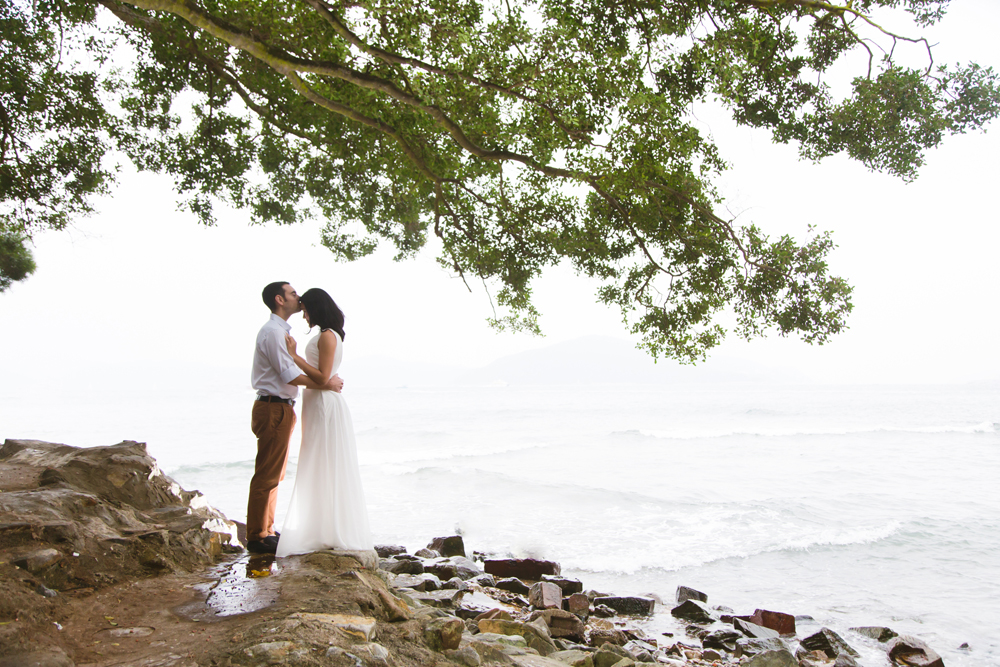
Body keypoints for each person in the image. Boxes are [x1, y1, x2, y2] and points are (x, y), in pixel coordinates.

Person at [247, 282, 343, 554]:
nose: (298, 298)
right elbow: (287, 373)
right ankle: (256, 535)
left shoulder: (281, 332)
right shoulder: (272, 333)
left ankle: (266, 530)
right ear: (279, 299)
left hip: (281, 406)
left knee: (274, 473)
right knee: (267, 474)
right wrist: (326, 384)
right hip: (272, 406)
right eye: (292, 293)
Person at [275, 288, 373, 556]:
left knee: (326, 461)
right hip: (317, 403)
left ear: (316, 308)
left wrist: (294, 357)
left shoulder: (328, 336)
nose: (303, 315)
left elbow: (322, 378)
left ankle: (330, 530)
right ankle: (320, 526)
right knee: (318, 461)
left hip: (324, 404)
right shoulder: (325, 335)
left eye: (306, 310)